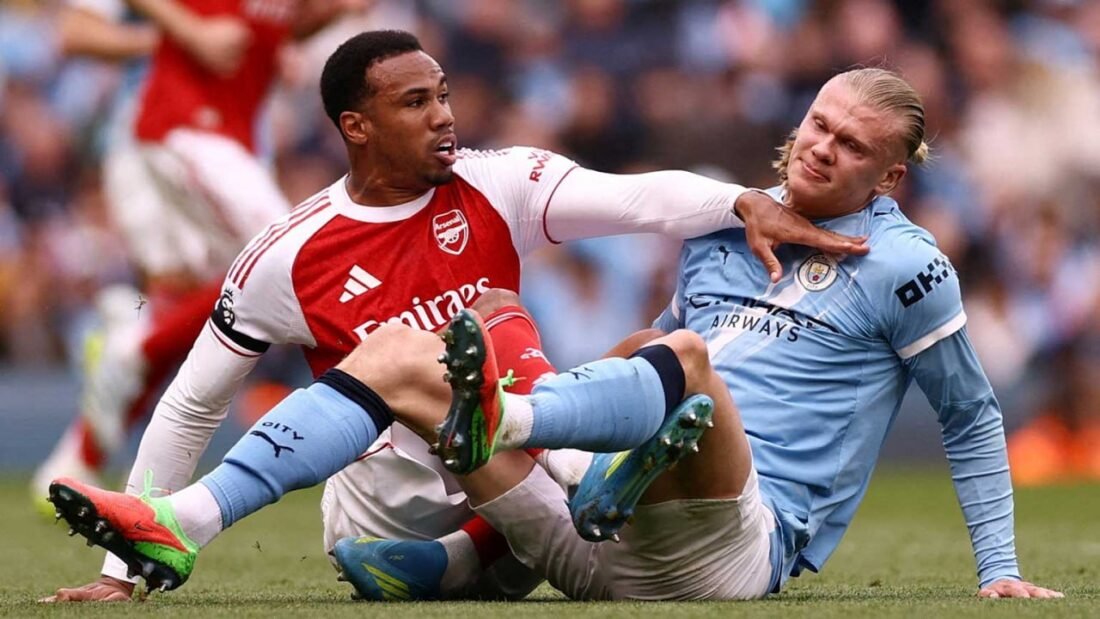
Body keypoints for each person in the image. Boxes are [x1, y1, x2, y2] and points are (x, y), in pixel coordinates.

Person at [43, 29, 868, 601]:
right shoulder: (287, 254)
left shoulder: (496, 181)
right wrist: (121, 574)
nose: (444, 115)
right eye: (415, 103)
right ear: (357, 127)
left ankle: (465, 556)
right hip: (389, 499)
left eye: (442, 95)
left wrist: (743, 201)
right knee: (456, 329)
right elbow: (191, 405)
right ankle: (549, 491)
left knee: (634, 351)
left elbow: (638, 198)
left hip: (503, 479)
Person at [330, 68, 1065, 600]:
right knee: (479, 327)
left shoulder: (907, 265)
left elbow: (970, 414)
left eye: (852, 145)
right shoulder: (724, 221)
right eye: (819, 124)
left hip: (733, 548)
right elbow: (638, 363)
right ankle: (470, 552)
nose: (821, 147)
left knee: (684, 360)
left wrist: (998, 566)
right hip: (597, 551)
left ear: (890, 177)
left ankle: (521, 442)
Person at [37, 0, 369, 601]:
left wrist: (326, 17)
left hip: (233, 140)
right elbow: (81, 31)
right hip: (188, 128)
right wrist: (188, 30)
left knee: (234, 300)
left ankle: (139, 352)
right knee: (290, 254)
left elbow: (281, 24)